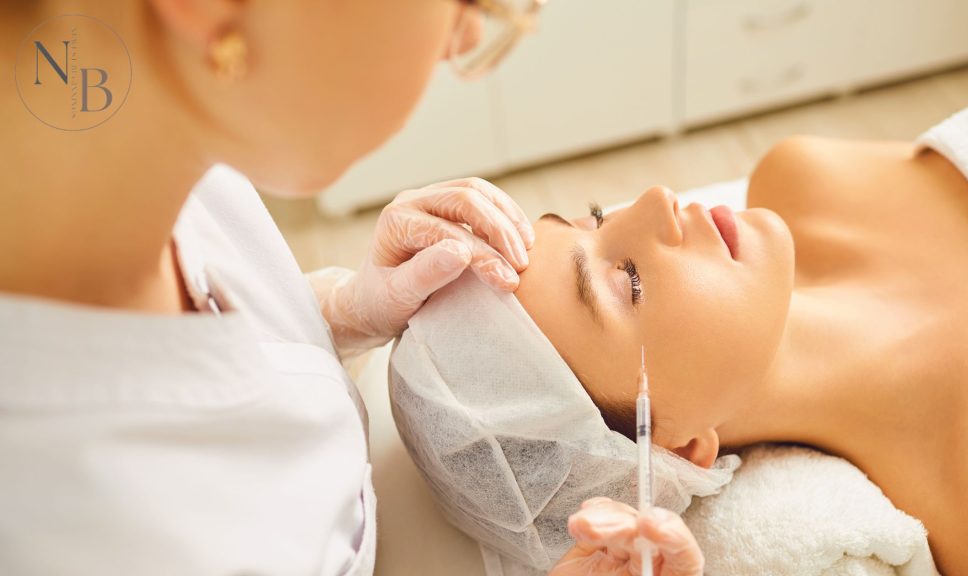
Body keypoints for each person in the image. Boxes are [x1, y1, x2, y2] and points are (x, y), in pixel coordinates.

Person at [0, 1, 704, 575]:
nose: (463, 39)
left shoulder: (121, 137)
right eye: (464, 0)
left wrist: (335, 313)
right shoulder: (92, 530)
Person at [508, 96, 968, 575]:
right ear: (677, 452)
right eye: (629, 280)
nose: (656, 199)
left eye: (595, 219)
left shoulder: (811, 177)